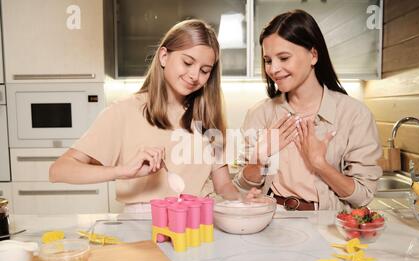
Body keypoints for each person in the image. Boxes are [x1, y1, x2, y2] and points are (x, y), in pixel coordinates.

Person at [49, 19, 259, 213]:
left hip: (197, 222)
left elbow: (222, 185)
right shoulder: (124, 111)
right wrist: (122, 171)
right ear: (164, 56)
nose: (195, 76)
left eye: (205, 70)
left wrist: (242, 199)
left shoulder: (208, 117)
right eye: (187, 62)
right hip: (143, 226)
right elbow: (59, 170)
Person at [233, 10, 382, 211]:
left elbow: (363, 196)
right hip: (272, 220)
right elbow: (242, 185)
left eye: (284, 58)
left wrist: (320, 163)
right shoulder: (260, 114)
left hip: (328, 225)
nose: (273, 69)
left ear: (313, 55)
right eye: (268, 60)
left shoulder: (355, 115)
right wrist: (259, 162)